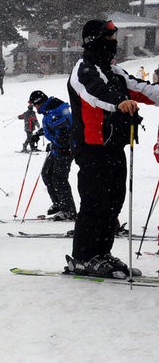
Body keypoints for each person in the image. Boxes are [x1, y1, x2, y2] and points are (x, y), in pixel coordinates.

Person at [66, 19, 159, 278]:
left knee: (113, 202)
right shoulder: (82, 70)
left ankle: (102, 252)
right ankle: (83, 257)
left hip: (114, 146)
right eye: (109, 37)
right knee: (95, 202)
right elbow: (93, 93)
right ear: (94, 40)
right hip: (91, 147)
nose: (113, 42)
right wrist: (119, 102)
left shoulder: (115, 72)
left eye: (114, 37)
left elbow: (142, 90)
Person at [28, 90, 76, 221]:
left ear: (40, 103)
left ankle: (68, 210)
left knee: (59, 178)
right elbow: (52, 127)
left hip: (65, 150)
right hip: (58, 148)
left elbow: (65, 133)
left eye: (34, 104)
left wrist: (56, 143)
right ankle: (59, 203)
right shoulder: (49, 110)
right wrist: (38, 134)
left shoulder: (56, 112)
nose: (34, 107)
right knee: (47, 173)